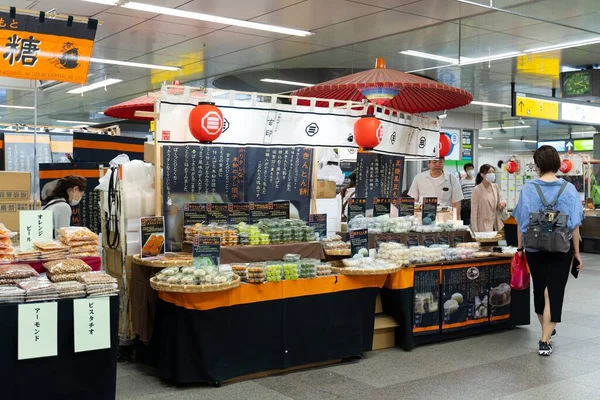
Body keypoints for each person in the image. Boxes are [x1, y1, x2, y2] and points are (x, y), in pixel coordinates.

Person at [512, 145, 584, 357]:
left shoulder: (528, 189)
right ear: (556, 163)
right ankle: (545, 340)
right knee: (554, 291)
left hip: (535, 248)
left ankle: (546, 332)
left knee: (540, 289)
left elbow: (521, 223)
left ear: (537, 165)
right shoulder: (569, 190)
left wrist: (520, 249)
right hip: (562, 249)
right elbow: (575, 225)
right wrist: (577, 253)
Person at [470, 164, 506, 232]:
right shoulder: (476, 190)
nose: (492, 174)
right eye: (489, 172)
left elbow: (502, 198)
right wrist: (475, 229)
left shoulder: (495, 187)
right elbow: (474, 212)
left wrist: (503, 202)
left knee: (495, 242)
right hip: (482, 227)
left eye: (493, 172)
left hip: (495, 225)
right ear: (482, 174)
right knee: (485, 243)